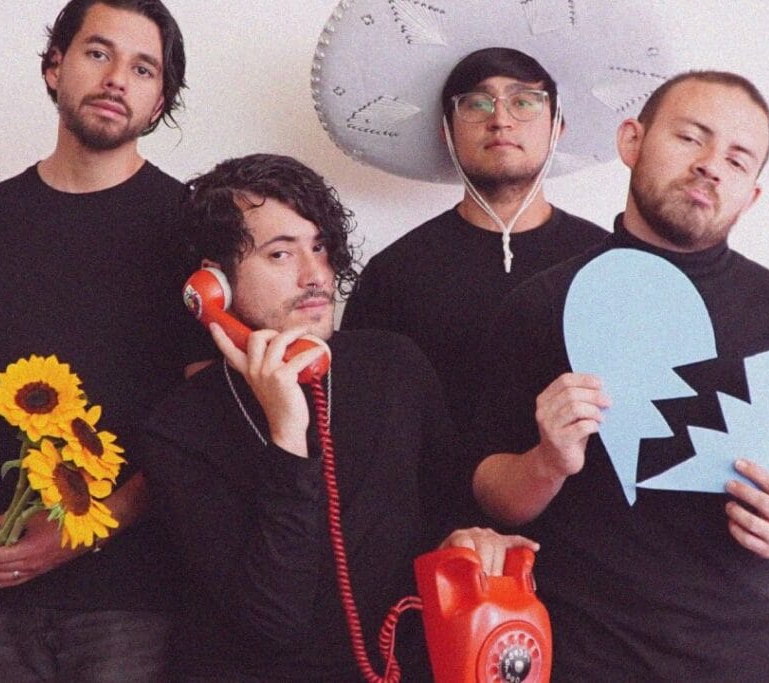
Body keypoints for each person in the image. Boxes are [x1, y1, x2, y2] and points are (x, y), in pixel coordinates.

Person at [470, 71, 769, 681]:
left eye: (737, 160)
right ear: (632, 141)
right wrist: (547, 459)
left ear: (751, 195)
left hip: (759, 656)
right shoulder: (542, 304)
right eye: (690, 138)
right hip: (587, 655)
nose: (711, 166)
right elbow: (488, 490)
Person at [140, 153, 537, 681]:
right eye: (280, 254)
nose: (314, 276)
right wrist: (287, 434)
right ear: (215, 285)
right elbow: (272, 619)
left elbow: (447, 503)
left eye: (320, 247)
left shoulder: (395, 366)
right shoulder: (179, 428)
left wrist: (465, 541)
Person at [0, 1, 208, 680]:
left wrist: (83, 529)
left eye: (142, 68)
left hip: (135, 604)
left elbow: (204, 422)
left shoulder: (192, 228)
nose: (116, 79)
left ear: (160, 101)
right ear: (54, 68)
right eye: (98, 54)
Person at [341, 48, 607, 433]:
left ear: (557, 127)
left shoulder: (606, 262)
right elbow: (359, 422)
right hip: (435, 493)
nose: (500, 120)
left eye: (524, 102)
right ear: (446, 131)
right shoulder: (394, 274)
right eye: (477, 103)